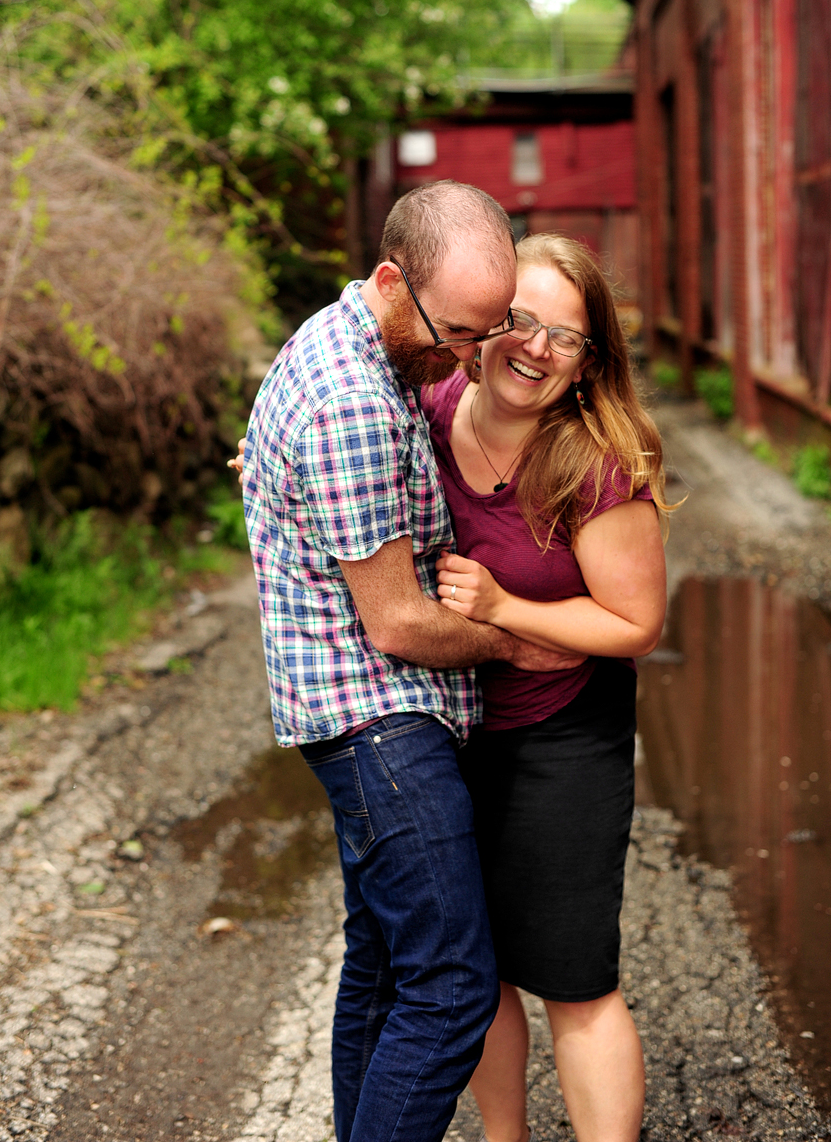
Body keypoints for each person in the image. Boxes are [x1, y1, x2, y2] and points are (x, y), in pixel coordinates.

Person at [241, 183, 578, 1142]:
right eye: (462, 332)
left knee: (385, 966)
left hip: (367, 713)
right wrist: (516, 639)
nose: (472, 357)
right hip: (376, 721)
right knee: (453, 988)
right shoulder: (350, 395)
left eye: (489, 329)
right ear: (392, 281)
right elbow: (395, 623)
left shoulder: (372, 342)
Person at [426, 232, 670, 1142]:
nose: (533, 347)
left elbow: (633, 624)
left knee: (573, 978)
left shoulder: (597, 462)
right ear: (482, 325)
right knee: (477, 968)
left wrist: (501, 609)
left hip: (564, 731)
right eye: (518, 320)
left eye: (563, 337)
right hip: (450, 725)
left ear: (588, 361)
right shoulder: (433, 400)